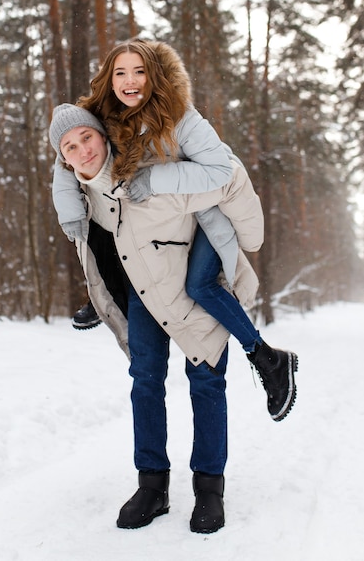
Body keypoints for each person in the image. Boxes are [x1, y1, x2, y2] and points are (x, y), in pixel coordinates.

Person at [49, 103, 296, 534]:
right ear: (63, 159)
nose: (82, 150)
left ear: (103, 135)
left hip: (191, 282)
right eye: (69, 147)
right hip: (144, 295)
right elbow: (98, 259)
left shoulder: (149, 165)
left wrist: (238, 240)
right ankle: (152, 486)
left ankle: (209, 489)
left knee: (206, 380)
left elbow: (217, 181)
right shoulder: (79, 198)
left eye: (86, 137)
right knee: (145, 380)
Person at [52, 38, 298, 423]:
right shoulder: (100, 114)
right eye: (120, 73)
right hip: (153, 220)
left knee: (199, 286)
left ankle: (266, 357)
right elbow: (63, 156)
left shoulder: (179, 114)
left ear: (153, 76)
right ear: (109, 80)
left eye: (139, 72)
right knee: (101, 212)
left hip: (201, 216)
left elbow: (222, 171)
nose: (130, 81)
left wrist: (154, 180)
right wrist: (69, 213)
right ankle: (100, 293)